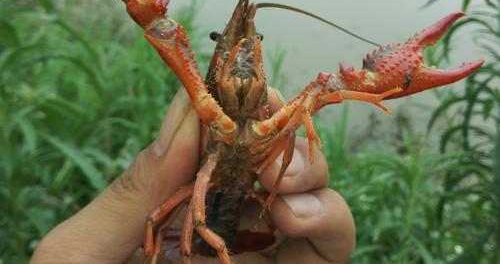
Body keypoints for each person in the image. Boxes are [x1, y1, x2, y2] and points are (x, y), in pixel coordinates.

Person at [31, 88, 355, 264]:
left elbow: (297, 122)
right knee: (160, 220)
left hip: (240, 209)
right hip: (201, 191)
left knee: (321, 91)